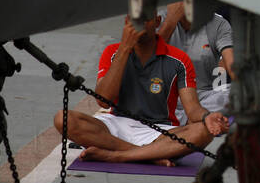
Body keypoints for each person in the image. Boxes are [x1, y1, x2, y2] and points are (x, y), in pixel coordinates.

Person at [54, 14, 229, 165]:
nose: (139, 24)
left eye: (145, 19)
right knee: (63, 119)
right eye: (134, 19)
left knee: (203, 132)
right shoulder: (113, 52)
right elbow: (103, 99)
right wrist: (124, 48)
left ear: (157, 21)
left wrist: (207, 117)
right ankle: (148, 156)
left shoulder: (178, 59)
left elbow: (192, 110)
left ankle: (117, 156)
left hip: (160, 131)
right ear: (126, 21)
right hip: (116, 125)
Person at [158, 1, 234, 122]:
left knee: (236, 94)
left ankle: (192, 119)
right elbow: (144, 61)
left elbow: (231, 63)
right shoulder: (159, 20)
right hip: (164, 96)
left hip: (204, 97)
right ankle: (197, 120)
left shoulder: (218, 23)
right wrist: (170, 22)